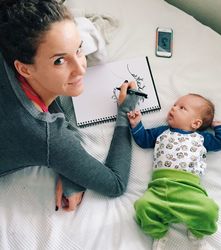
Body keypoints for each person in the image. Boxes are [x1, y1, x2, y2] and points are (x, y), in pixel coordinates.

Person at [0, 0, 139, 212]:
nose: (81, 69)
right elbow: (115, 183)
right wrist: (125, 112)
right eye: (59, 61)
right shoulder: (46, 137)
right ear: (24, 69)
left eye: (79, 49)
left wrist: (69, 169)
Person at [127, 93, 221, 249]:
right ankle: (159, 233)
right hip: (159, 187)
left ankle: (198, 230)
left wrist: (220, 127)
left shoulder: (201, 138)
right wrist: (136, 125)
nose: (173, 108)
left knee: (209, 211)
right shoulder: (162, 132)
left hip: (190, 189)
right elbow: (143, 139)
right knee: (143, 206)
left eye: (182, 108)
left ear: (196, 123)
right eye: (174, 104)